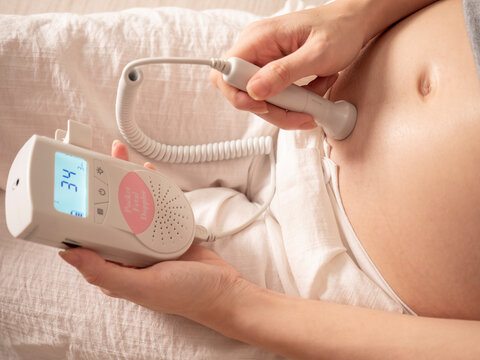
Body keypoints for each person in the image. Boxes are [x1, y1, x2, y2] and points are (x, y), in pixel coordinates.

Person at [59, 0, 480, 358]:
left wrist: (227, 303)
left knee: (60, 287)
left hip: (323, 298)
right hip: (302, 78)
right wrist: (353, 16)